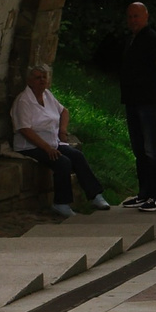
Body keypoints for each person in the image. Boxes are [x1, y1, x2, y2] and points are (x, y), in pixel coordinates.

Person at [10, 64, 109, 216]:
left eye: (44, 77)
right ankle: (61, 203)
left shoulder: (47, 95)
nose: (42, 80)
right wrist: (46, 148)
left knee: (77, 156)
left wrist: (62, 130)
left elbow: (64, 111)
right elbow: (25, 129)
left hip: (52, 142)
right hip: (31, 145)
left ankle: (95, 195)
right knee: (63, 162)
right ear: (29, 81)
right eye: (37, 78)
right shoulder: (24, 101)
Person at [119, 1, 156, 210]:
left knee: (153, 149)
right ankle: (144, 192)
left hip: (149, 101)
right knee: (139, 149)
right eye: (130, 16)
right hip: (132, 100)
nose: (133, 20)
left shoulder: (152, 39)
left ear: (146, 16)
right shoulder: (131, 40)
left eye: (136, 16)